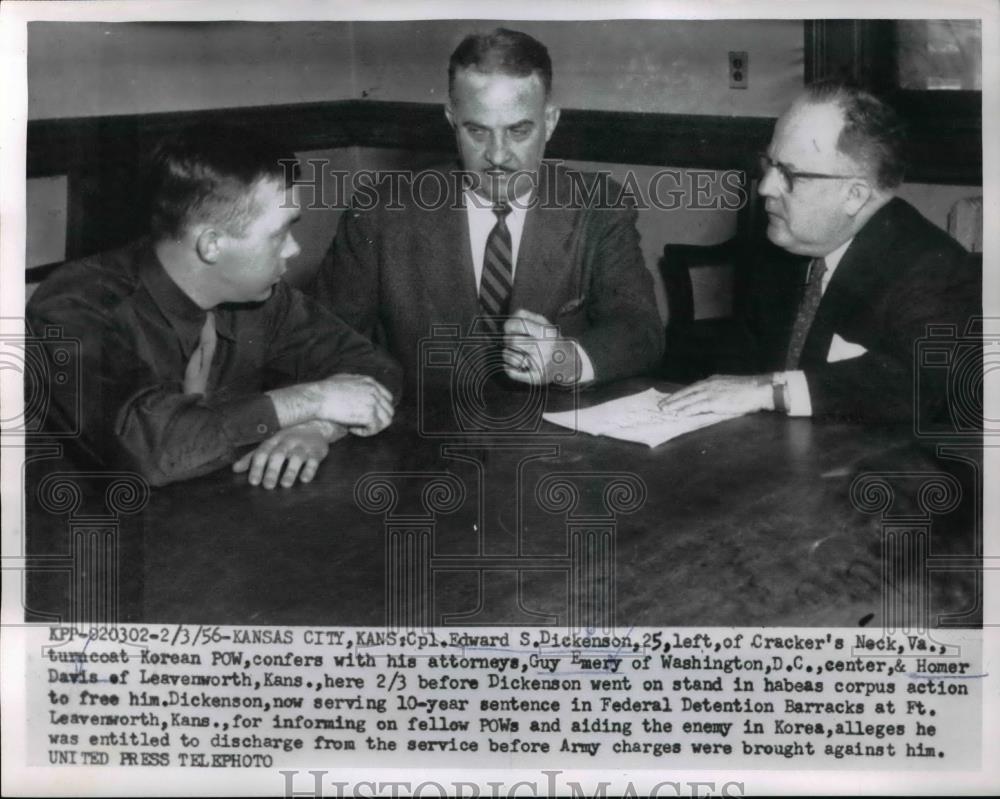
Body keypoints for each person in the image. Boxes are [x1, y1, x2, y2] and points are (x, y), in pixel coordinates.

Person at [27, 124, 402, 489]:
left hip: (211, 520)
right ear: (211, 245)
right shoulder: (74, 306)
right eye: (279, 234)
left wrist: (317, 427)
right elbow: (149, 450)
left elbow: (371, 367)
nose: (294, 249)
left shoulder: (261, 298)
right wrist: (310, 400)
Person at [310, 27, 663, 392]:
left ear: (551, 122)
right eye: (477, 132)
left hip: (553, 439)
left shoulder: (599, 206)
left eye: (518, 131)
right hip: (422, 436)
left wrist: (563, 359)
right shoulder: (380, 213)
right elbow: (321, 343)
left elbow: (640, 330)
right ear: (452, 121)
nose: (497, 155)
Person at [657, 81, 979, 426]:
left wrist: (769, 390)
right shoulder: (782, 247)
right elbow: (740, 365)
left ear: (854, 195)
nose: (765, 187)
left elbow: (914, 385)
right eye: (769, 163)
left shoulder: (933, 269)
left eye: (790, 174)